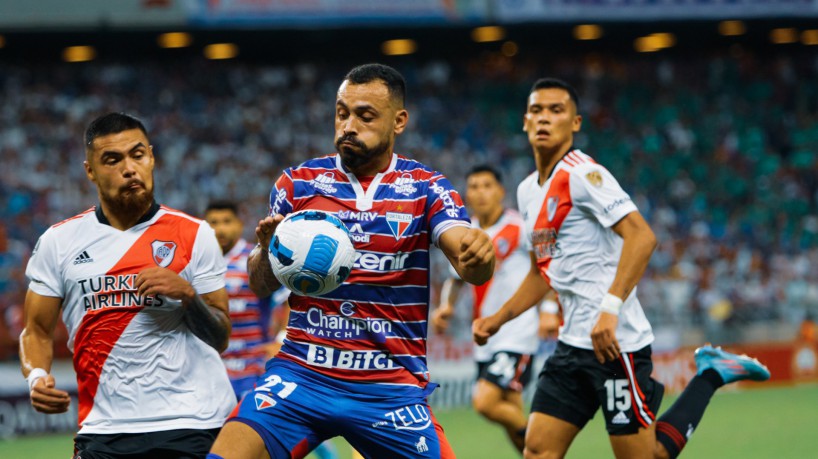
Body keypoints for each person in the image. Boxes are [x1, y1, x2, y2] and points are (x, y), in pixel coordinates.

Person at [472, 78, 771, 459]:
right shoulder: (528, 190)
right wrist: (497, 319)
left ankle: (710, 374)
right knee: (537, 451)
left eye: (556, 110)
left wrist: (609, 310)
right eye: (536, 110)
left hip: (616, 345)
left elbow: (642, 237)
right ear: (525, 122)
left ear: (575, 123)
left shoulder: (582, 175)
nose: (544, 118)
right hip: (571, 345)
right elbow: (540, 273)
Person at [209, 63, 495, 459]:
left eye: (365, 115)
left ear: (399, 121)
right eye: (342, 113)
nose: (348, 125)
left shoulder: (427, 187)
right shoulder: (298, 183)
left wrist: (478, 253)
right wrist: (267, 250)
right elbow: (260, 284)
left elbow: (467, 257)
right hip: (302, 375)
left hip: (389, 385)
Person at [20, 113, 236, 458]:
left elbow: (220, 336)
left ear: (152, 157)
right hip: (104, 429)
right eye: (112, 159)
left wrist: (187, 295)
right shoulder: (58, 242)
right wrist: (36, 377)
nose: (130, 167)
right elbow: (37, 331)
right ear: (90, 170)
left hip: (191, 422)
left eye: (138, 154)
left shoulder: (195, 234)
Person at [203, 202, 340, 459]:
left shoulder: (254, 260)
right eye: (213, 222)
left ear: (239, 225)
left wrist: (280, 339)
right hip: (215, 369)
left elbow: (289, 301)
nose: (220, 228)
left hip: (253, 365)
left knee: (265, 434)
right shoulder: (200, 262)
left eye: (225, 221)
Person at [431, 164, 541, 453]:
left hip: (518, 332)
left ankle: (547, 446)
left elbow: (543, 269)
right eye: (474, 186)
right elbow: (455, 280)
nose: (480, 193)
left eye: (487, 186)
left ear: (501, 191)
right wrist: (445, 307)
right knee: (510, 410)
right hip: (485, 337)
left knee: (484, 401)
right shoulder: (466, 233)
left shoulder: (520, 227)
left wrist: (552, 310)